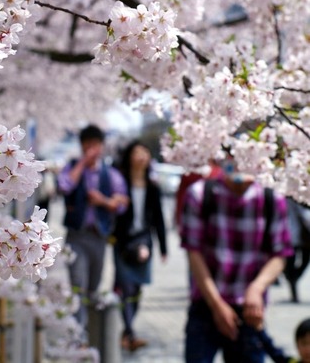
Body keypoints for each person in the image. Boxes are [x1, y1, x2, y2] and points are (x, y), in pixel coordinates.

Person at [179, 155, 293, 363]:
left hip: (250, 309)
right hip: (205, 304)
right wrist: (217, 305)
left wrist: (257, 288)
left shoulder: (272, 199)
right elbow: (193, 252)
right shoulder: (200, 194)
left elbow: (280, 254)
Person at [57, 124, 129, 340]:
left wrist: (104, 201)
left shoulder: (111, 174)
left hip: (99, 236)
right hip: (76, 235)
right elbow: (65, 186)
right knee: (78, 284)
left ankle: (90, 331)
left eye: (95, 145)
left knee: (93, 288)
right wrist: (81, 164)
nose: (91, 150)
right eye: (87, 145)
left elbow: (122, 202)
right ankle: (79, 336)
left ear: (101, 146)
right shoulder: (72, 167)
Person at [112, 141, 167, 352]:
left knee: (137, 287)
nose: (141, 156)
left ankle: (127, 332)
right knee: (125, 286)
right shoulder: (120, 182)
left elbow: (159, 218)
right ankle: (130, 333)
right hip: (123, 241)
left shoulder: (153, 187)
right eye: (137, 152)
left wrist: (163, 248)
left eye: (145, 152)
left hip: (144, 241)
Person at [284, 197, 310, 303]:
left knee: (299, 262)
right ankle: (292, 281)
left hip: (298, 237)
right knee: (292, 263)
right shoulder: (286, 200)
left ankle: (292, 278)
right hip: (292, 236)